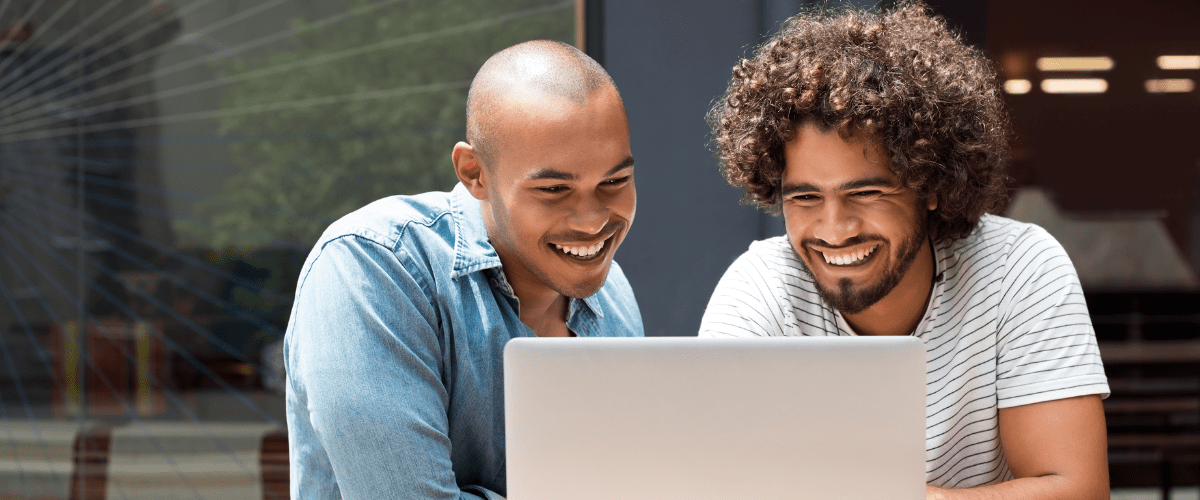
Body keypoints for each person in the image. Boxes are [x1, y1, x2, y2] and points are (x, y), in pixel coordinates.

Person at [701, 3, 1109, 499]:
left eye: (867, 193)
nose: (835, 229)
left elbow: (1077, 490)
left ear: (929, 184)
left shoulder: (1018, 269)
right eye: (805, 197)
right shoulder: (759, 291)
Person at [284, 40, 642, 499]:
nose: (593, 220)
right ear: (474, 173)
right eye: (555, 189)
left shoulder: (614, 297)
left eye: (615, 181)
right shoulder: (372, 266)